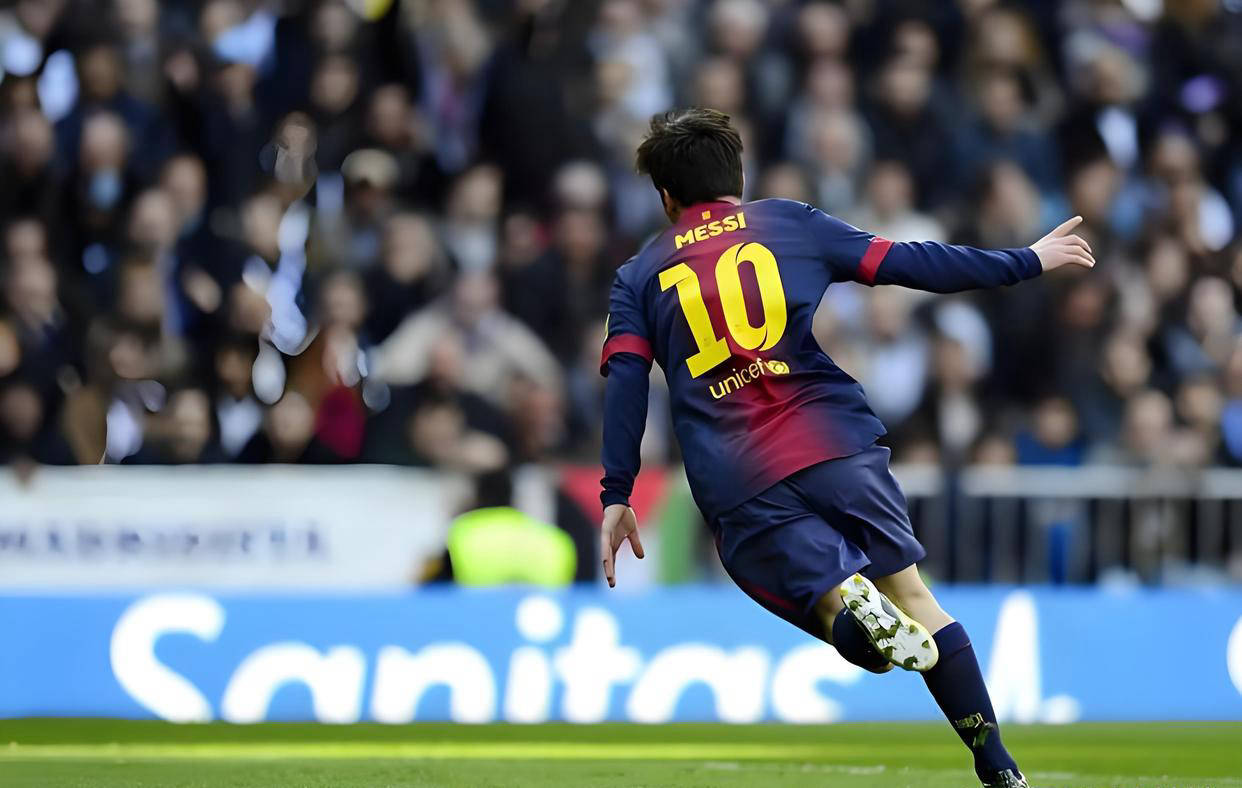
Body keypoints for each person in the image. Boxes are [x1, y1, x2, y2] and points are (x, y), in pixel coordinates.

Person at [598, 109, 1095, 788]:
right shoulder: (788, 222)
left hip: (738, 473)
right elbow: (908, 262)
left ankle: (848, 610)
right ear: (738, 177)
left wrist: (617, 491)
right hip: (834, 440)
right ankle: (997, 763)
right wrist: (1024, 260)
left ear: (665, 196)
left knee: (833, 605)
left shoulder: (638, 275)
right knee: (915, 596)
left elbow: (627, 385)